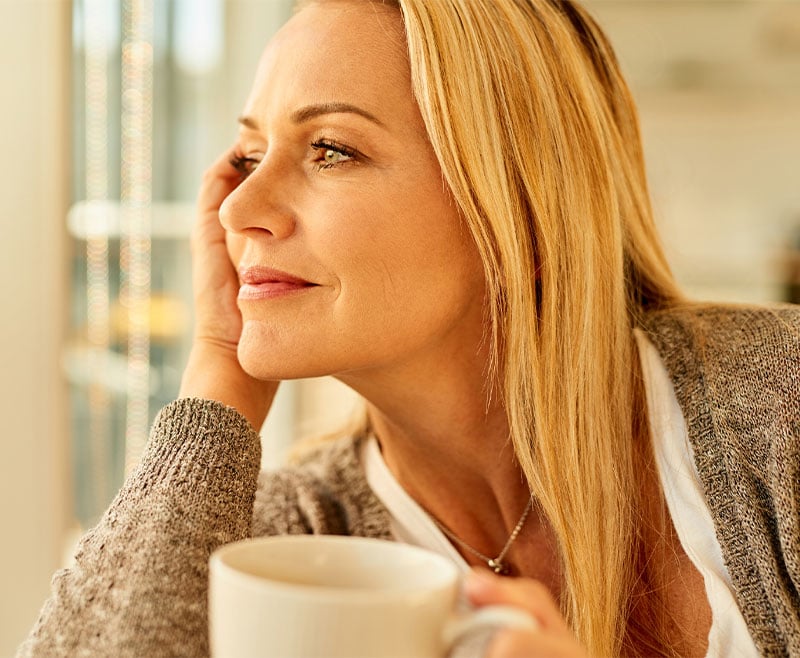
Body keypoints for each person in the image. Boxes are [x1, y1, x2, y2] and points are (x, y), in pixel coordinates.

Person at [18, 0, 800, 656]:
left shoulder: (779, 410)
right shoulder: (291, 534)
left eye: (329, 149)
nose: (236, 209)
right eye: (250, 155)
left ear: (518, 217)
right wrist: (217, 375)